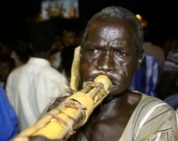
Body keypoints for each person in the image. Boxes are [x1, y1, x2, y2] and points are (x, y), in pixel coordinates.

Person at [21, 6, 178, 141]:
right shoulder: (57, 111)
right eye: (95, 51)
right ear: (81, 56)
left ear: (138, 59)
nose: (105, 65)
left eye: (120, 53)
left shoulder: (156, 118)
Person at [5, 20, 69, 132]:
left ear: (30, 45)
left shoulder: (13, 75)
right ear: (52, 46)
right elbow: (64, 117)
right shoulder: (57, 79)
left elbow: (10, 114)